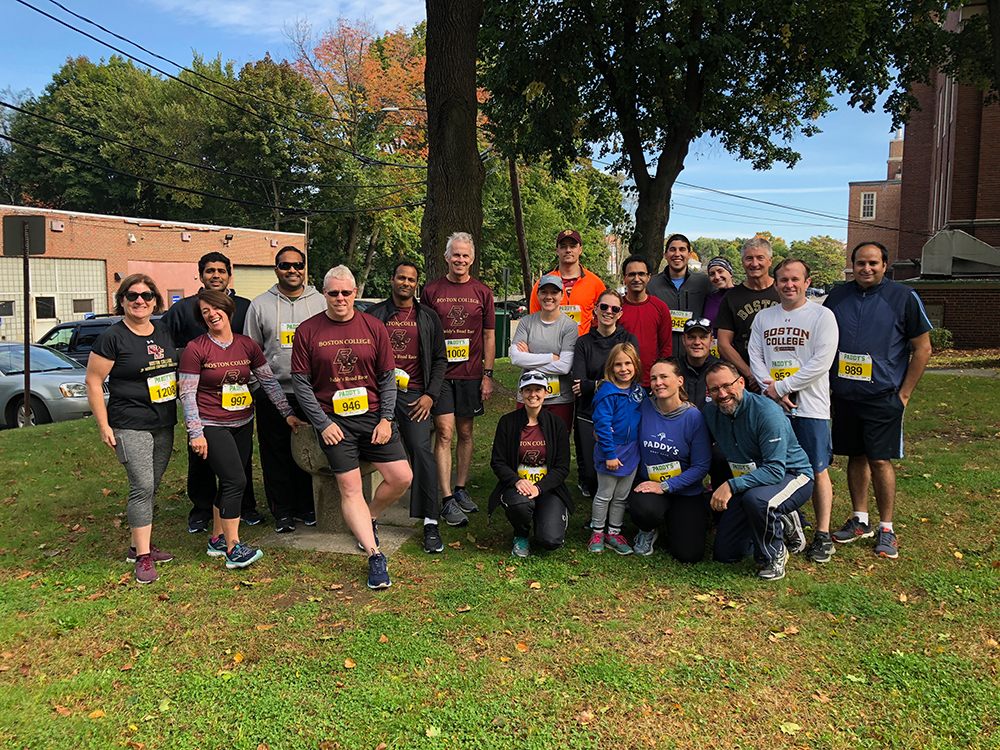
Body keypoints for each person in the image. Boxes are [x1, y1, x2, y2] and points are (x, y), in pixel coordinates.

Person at [291, 265, 413, 589]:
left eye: (346, 292)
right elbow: (301, 384)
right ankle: (374, 555)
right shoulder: (308, 331)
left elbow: (387, 378)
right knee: (350, 488)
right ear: (324, 294)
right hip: (335, 423)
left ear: (355, 293)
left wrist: (387, 419)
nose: (340, 298)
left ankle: (368, 517)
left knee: (402, 477)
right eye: (333, 293)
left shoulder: (374, 327)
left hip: (373, 418)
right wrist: (323, 423)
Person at [824, 241, 933, 559]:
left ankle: (887, 527)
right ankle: (860, 519)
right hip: (845, 396)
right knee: (855, 456)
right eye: (860, 263)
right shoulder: (838, 296)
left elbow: (922, 348)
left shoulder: (903, 297)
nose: (866, 268)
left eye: (873, 263)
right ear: (853, 265)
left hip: (883, 396)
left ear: (885, 265)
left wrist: (904, 394)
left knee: (880, 459)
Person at [179, 289, 303, 569]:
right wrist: (196, 432)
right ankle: (234, 548)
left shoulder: (247, 345)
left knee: (228, 480)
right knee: (236, 481)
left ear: (228, 309)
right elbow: (187, 394)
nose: (212, 314)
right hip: (212, 425)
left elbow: (268, 382)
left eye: (215, 308)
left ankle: (217, 539)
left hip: (243, 422)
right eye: (205, 311)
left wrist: (287, 414)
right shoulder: (195, 348)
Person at [86, 274, 178, 584]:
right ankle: (142, 557)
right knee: (143, 486)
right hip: (129, 422)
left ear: (156, 300)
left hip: (163, 421)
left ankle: (138, 544)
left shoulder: (163, 331)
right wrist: (104, 425)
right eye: (133, 295)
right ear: (122, 300)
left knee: (152, 484)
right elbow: (94, 381)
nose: (140, 300)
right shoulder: (113, 336)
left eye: (147, 295)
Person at [162, 251, 262, 531]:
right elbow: (163, 341)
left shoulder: (244, 306)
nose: (215, 275)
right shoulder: (183, 309)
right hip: (203, 401)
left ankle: (246, 506)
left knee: (241, 460)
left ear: (230, 274)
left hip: (239, 398)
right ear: (201, 274)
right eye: (209, 271)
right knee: (201, 457)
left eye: (220, 270)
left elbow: (253, 347)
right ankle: (202, 509)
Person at [748, 258, 839, 564]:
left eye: (795, 279)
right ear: (775, 283)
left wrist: (783, 388)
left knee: (816, 467)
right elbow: (755, 355)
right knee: (774, 465)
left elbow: (821, 361)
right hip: (773, 405)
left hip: (810, 406)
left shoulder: (822, 316)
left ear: (807, 282)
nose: (789, 285)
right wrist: (768, 388)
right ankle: (789, 520)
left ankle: (823, 535)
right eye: (783, 280)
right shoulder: (764, 317)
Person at [702, 362, 815, 581]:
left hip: (792, 475)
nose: (722, 394)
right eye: (715, 389)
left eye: (727, 385)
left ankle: (774, 555)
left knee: (758, 501)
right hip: (751, 480)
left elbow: (774, 470)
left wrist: (730, 485)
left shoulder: (767, 413)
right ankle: (780, 521)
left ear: (741, 382)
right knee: (726, 553)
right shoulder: (710, 413)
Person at [245, 245, 327, 533]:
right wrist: (258, 388)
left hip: (312, 391)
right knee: (275, 452)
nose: (292, 270)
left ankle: (308, 506)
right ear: (276, 269)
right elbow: (251, 350)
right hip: (273, 391)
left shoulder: (319, 302)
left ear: (305, 267)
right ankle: (282, 511)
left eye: (297, 264)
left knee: (309, 451)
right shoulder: (260, 305)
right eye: (285, 265)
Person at [369, 260, 449, 554]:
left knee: (421, 450)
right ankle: (369, 515)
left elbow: (440, 359)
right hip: (379, 395)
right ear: (392, 280)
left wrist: (430, 395)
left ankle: (429, 520)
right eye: (401, 277)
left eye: (411, 279)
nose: (406, 283)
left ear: (417, 284)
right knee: (376, 447)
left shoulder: (427, 316)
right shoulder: (374, 315)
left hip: (414, 395)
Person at [423, 232, 495, 527]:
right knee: (444, 433)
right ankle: (446, 496)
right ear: (446, 257)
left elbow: (489, 335)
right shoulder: (431, 291)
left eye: (465, 255)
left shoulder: (483, 292)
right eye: (456, 255)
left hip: (470, 374)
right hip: (441, 375)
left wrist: (487, 374)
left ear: (472, 259)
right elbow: (424, 333)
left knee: (465, 433)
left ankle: (461, 488)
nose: (460, 260)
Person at [628, 359, 712, 559]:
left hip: (685, 489)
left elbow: (701, 466)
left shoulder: (694, 417)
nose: (658, 383)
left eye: (664, 377)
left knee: (689, 554)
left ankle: (695, 516)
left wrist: (666, 486)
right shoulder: (643, 407)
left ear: (680, 380)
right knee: (646, 511)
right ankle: (648, 529)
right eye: (654, 378)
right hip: (648, 484)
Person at [489, 370, 573, 558]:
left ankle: (546, 519)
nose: (532, 394)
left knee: (550, 541)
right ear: (521, 393)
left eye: (537, 389)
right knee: (519, 504)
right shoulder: (507, 422)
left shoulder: (557, 424)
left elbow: (562, 467)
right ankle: (521, 534)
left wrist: (540, 488)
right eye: (527, 390)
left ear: (546, 392)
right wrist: (517, 481)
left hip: (548, 488)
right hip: (518, 487)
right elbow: (498, 461)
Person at [570, 290, 638, 498]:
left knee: (618, 470)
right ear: (595, 309)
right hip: (588, 411)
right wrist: (609, 383)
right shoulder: (583, 343)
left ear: (620, 313)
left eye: (614, 308)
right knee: (591, 480)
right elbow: (579, 383)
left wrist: (594, 384)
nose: (608, 311)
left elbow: (630, 377)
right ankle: (586, 479)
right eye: (604, 307)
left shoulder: (628, 339)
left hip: (620, 412)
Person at [589, 342, 645, 555]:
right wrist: (610, 454)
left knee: (622, 496)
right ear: (611, 367)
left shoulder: (638, 392)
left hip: (631, 452)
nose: (624, 369)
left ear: (635, 364)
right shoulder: (607, 393)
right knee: (605, 494)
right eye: (618, 364)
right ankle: (597, 531)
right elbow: (602, 425)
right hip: (611, 452)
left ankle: (614, 531)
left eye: (628, 363)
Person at [509, 274, 579, 432]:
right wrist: (550, 358)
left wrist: (529, 361)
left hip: (559, 399)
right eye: (544, 292)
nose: (549, 297)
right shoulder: (526, 322)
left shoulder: (569, 326)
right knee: (526, 443)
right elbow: (515, 357)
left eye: (554, 292)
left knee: (558, 446)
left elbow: (564, 367)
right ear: (538, 295)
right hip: (528, 395)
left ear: (562, 295)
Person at [715, 237, 780, 392]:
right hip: (746, 381)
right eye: (749, 258)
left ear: (770, 261)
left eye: (760, 258)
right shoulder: (731, 297)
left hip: (782, 377)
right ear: (743, 262)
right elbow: (723, 344)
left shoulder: (782, 291)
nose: (754, 263)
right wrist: (751, 375)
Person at [528, 229, 606, 336]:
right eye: (563, 246)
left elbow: (605, 317)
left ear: (580, 250)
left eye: (573, 246)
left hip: (583, 348)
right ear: (557, 251)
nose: (568, 250)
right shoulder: (542, 284)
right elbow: (534, 320)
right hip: (552, 348)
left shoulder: (595, 283)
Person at [647, 233, 712, 355]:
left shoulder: (704, 282)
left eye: (682, 249)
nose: (677, 254)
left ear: (689, 254)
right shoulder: (651, 284)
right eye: (672, 250)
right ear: (665, 255)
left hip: (695, 357)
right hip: (663, 357)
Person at [618, 254, 672, 388]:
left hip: (652, 382)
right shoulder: (615, 308)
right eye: (631, 274)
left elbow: (666, 347)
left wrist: (660, 376)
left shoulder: (660, 308)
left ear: (649, 277)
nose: (636, 279)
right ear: (624, 278)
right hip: (622, 381)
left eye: (641, 274)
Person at [703, 256, 736, 331]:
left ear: (730, 272)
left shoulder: (741, 295)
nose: (717, 277)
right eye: (712, 274)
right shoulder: (710, 299)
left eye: (720, 271)